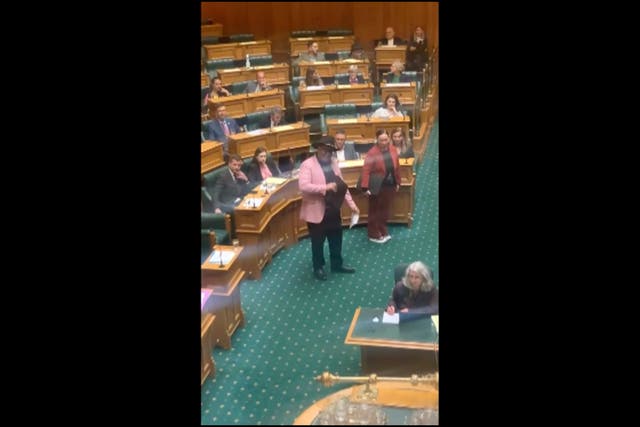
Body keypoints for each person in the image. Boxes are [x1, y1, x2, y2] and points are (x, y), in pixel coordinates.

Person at [299, 136, 359, 280]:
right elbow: (304, 186)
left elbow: (342, 186)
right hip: (316, 210)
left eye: (330, 151)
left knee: (336, 238)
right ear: (318, 149)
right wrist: (325, 187)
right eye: (324, 150)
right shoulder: (307, 165)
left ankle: (337, 264)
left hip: (333, 209)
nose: (327, 153)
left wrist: (352, 205)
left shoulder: (333, 162)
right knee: (317, 242)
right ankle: (318, 267)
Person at [360, 129, 401, 243]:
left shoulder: (392, 149)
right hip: (376, 186)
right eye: (381, 140)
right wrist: (365, 187)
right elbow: (366, 170)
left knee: (384, 210)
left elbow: (396, 167)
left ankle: (382, 229)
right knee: (375, 210)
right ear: (376, 140)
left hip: (389, 184)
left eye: (386, 139)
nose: (384, 142)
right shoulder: (372, 152)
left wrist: (398, 182)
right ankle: (373, 233)